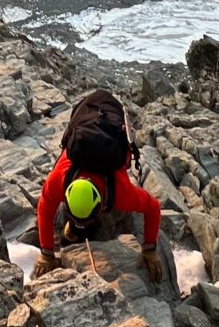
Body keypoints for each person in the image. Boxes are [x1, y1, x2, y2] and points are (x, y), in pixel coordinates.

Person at [31, 90, 163, 282]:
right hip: (84, 110)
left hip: (111, 116)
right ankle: (75, 228)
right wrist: (46, 254)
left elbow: (153, 208)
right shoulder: (58, 179)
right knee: (75, 224)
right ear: (66, 194)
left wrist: (150, 249)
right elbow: (45, 206)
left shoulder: (121, 192)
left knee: (114, 219)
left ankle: (76, 228)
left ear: (102, 205)